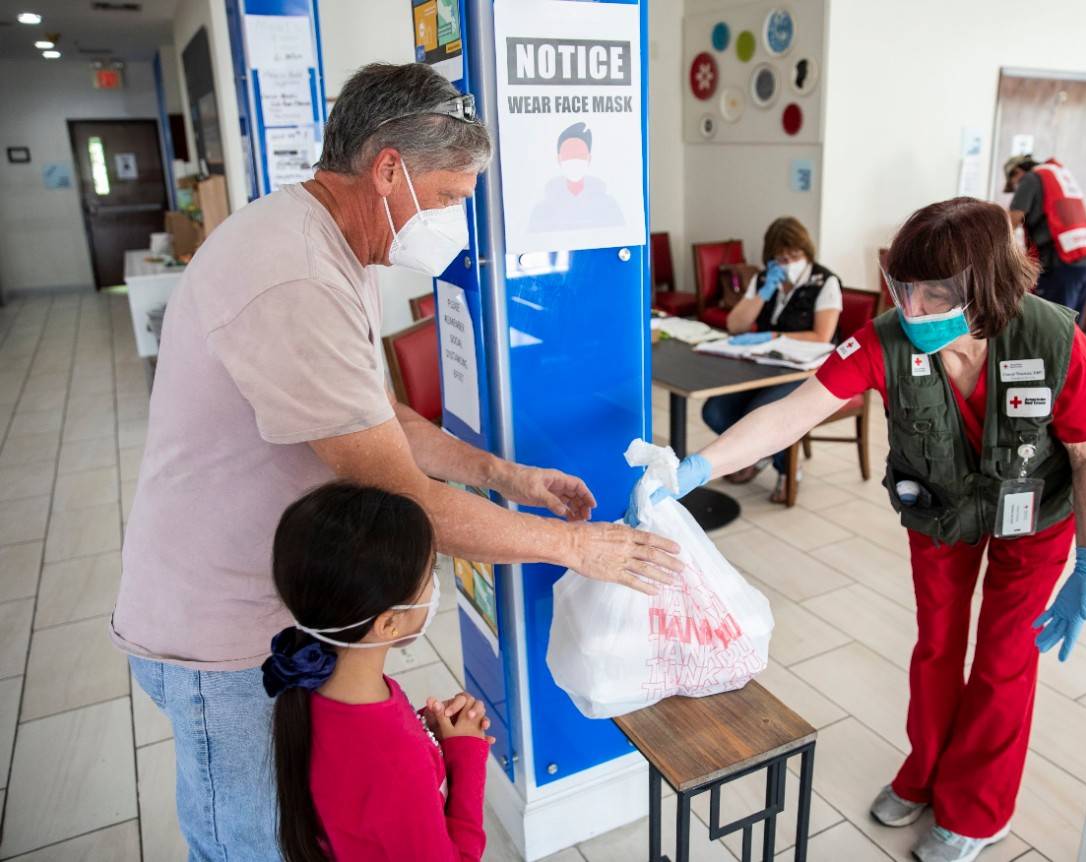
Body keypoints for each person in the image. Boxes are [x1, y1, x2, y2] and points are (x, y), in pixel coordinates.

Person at [113, 63, 682, 861]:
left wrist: (503, 475)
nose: (453, 220)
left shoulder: (313, 240)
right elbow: (398, 493)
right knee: (253, 845)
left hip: (278, 604)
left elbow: (380, 421)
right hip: (221, 633)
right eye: (449, 197)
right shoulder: (296, 274)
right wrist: (578, 548)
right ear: (387, 170)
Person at [640, 198, 1086, 862]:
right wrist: (696, 466)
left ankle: (979, 810)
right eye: (906, 288)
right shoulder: (885, 340)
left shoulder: (1053, 339)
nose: (914, 309)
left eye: (935, 294)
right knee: (937, 646)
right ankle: (926, 776)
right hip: (941, 511)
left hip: (1034, 517)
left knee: (1005, 659)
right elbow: (794, 413)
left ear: (982, 288)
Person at [266, 482, 490, 862]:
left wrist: (427, 734)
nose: (434, 586)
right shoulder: (394, 763)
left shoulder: (318, 685)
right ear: (388, 625)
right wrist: (467, 755)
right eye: (429, 574)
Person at [703, 216, 843, 503]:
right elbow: (735, 325)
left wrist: (773, 337)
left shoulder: (825, 281)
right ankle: (758, 452)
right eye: (781, 257)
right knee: (715, 411)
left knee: (761, 411)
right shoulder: (765, 279)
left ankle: (786, 468)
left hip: (805, 371)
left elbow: (822, 336)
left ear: (806, 252)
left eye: (795, 255)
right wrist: (762, 294)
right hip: (763, 366)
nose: (789, 261)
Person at [1004, 154, 1086, 317]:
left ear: (1017, 172)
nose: (1016, 188)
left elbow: (1012, 221)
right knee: (1070, 323)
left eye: (1013, 185)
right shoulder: (1059, 175)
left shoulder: (1030, 178)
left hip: (1065, 258)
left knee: (1054, 322)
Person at [528, 121, 625, 232]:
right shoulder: (542, 211)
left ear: (589, 159)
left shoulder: (609, 206)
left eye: (579, 154)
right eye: (568, 154)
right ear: (559, 159)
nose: (574, 159)